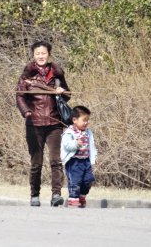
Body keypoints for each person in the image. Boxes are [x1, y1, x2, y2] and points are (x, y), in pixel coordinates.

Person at [16, 41, 70, 207]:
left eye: (43, 53)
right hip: (34, 123)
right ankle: (35, 195)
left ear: (49, 54)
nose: (41, 56)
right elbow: (20, 96)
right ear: (33, 55)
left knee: (56, 161)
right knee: (36, 163)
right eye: (38, 53)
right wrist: (27, 112)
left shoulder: (57, 73)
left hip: (54, 122)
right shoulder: (27, 75)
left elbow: (67, 95)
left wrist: (62, 92)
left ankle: (56, 195)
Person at [60, 105, 97, 208]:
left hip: (86, 161)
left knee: (88, 180)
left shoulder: (88, 132)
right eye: (84, 120)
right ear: (74, 120)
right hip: (74, 162)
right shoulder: (69, 132)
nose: (86, 123)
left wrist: (94, 157)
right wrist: (75, 143)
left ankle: (82, 196)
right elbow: (66, 145)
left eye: (87, 120)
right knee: (75, 181)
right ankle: (73, 198)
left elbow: (92, 146)